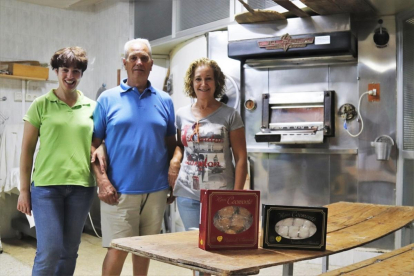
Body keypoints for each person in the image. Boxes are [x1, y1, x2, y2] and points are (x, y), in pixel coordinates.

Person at [91, 38, 176, 276]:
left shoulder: (165, 101)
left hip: (156, 190)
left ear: (151, 65)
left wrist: (172, 182)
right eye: (133, 58)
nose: (139, 62)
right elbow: (92, 145)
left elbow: (171, 145)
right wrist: (102, 181)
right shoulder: (107, 99)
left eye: (144, 58)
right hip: (118, 191)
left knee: (145, 250)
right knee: (118, 250)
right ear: (125, 63)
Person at [17, 47, 96, 276]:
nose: (70, 76)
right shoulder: (40, 105)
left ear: (81, 74)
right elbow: (27, 151)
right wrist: (24, 191)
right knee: (49, 251)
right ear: (56, 71)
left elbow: (98, 144)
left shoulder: (93, 107)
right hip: (46, 189)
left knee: (69, 251)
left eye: (76, 71)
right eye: (65, 70)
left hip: (81, 188)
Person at [168, 57, 247, 231]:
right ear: (192, 82)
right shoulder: (182, 114)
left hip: (221, 195)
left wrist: (236, 196)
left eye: (208, 78)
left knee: (220, 244)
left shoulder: (230, 115)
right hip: (187, 193)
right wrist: (175, 160)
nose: (203, 84)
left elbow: (241, 158)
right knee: (194, 246)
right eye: (198, 79)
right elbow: (181, 145)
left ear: (216, 82)